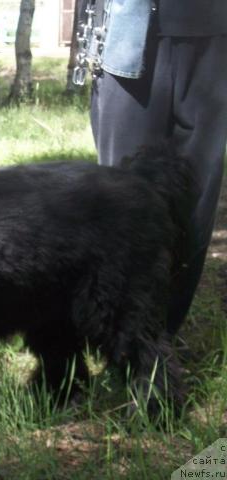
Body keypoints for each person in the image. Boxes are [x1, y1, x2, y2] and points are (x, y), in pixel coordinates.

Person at [89, 0, 227, 334]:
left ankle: (162, 339)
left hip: (214, 41)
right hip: (128, 39)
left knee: (193, 206)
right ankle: (122, 340)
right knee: (124, 207)